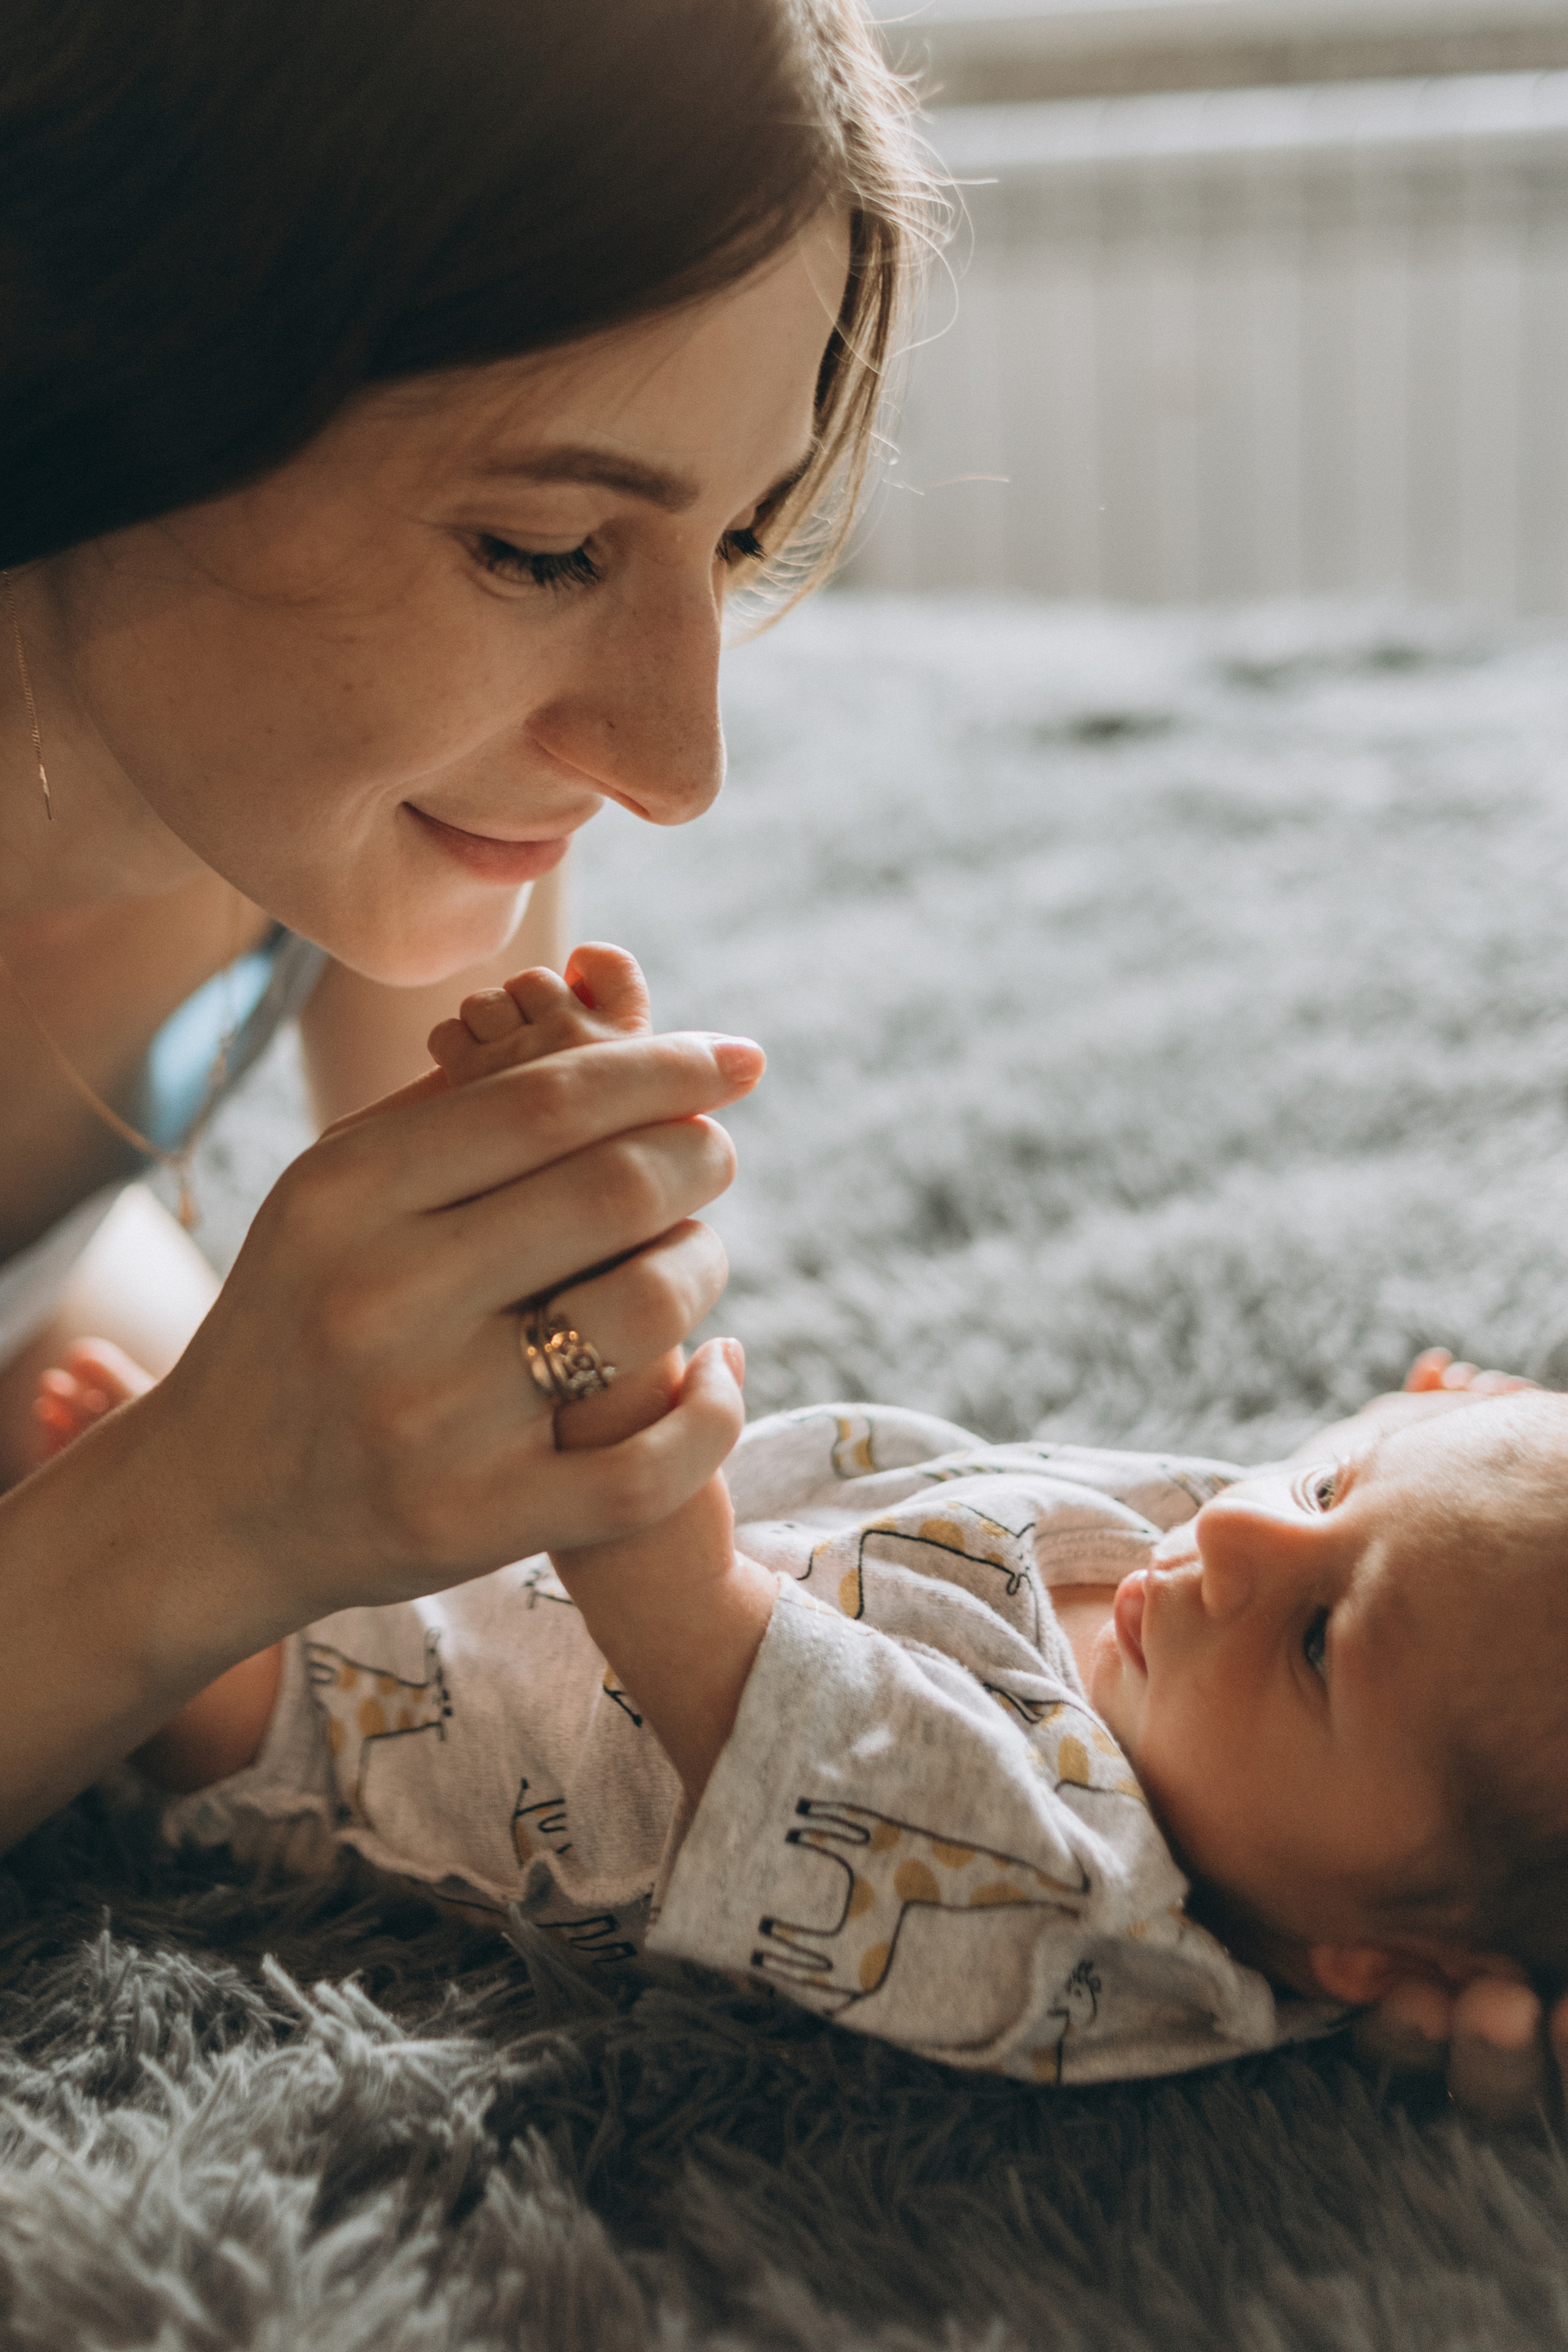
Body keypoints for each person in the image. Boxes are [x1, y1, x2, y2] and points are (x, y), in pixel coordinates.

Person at [42, 950, 1568, 2101]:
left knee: (77, 1433)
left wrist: (599, 1317)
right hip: (481, 1541)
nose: (1244, 1538)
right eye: (1323, 1493)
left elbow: (687, 1618)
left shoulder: (1060, 1885)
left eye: (1319, 1643)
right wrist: (1444, 1447)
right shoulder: (1232, 1620)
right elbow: (1424, 1566)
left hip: (348, 1712)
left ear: (1372, 1962)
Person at [0, 0, 927, 1850]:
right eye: (545, 549)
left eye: (736, 546)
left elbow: (487, 1601)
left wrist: (1228, 1815)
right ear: (103, 354)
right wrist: (203, 1509)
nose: (678, 765)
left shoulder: (325, 819)